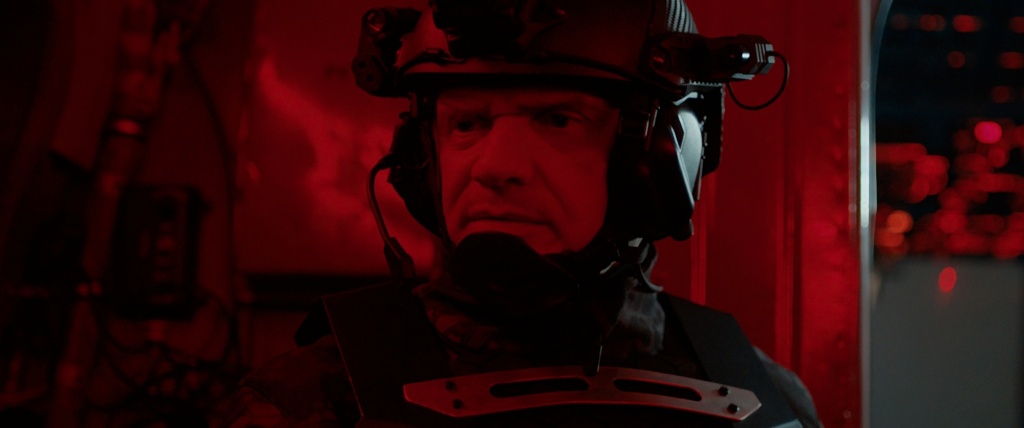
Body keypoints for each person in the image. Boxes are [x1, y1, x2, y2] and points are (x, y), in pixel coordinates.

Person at [215, 0, 821, 426]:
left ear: (661, 161)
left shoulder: (765, 402)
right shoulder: (305, 402)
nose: (494, 167)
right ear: (421, 160)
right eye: (467, 124)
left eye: (557, 120)